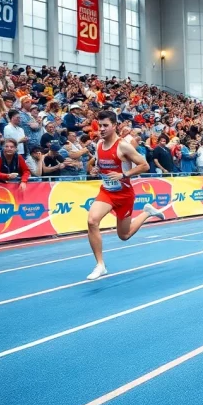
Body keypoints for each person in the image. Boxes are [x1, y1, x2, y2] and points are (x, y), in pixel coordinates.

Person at [86, 110, 165, 280]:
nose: (102, 129)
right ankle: (100, 265)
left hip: (124, 195)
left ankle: (147, 212)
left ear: (114, 126)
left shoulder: (123, 146)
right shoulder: (99, 145)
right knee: (92, 221)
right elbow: (98, 165)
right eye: (100, 126)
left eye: (105, 125)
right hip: (107, 192)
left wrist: (124, 175)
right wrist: (94, 169)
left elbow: (144, 165)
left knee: (124, 235)